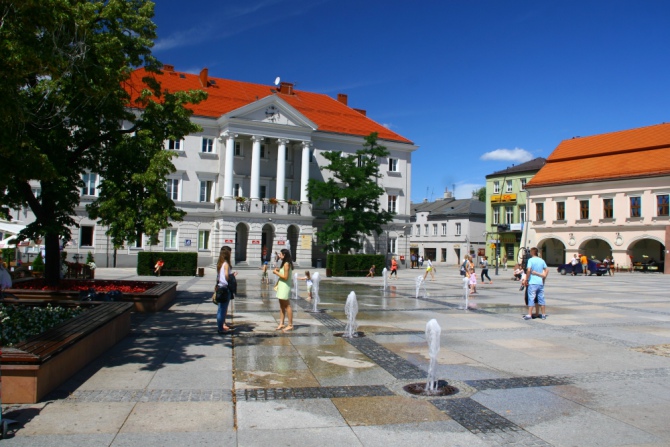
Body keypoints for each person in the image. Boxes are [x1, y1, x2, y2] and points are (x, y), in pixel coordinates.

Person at [523, 247, 548, 320]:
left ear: (532, 252)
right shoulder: (542, 260)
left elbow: (528, 270)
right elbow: (547, 269)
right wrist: (543, 277)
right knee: (541, 298)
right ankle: (543, 314)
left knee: (531, 298)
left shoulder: (530, 260)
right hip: (540, 282)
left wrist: (526, 279)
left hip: (532, 282)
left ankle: (529, 314)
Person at [273, 248, 294, 332]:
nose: (279, 255)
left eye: (280, 254)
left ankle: (290, 325)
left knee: (287, 305)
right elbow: (284, 272)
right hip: (281, 286)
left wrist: (276, 273)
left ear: (284, 255)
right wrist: (279, 270)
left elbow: (285, 277)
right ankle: (281, 323)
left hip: (285, 287)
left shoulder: (286, 264)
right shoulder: (285, 263)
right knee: (281, 305)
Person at [215, 247, 235, 333]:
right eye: (230, 252)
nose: (231, 254)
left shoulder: (220, 263)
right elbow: (226, 276)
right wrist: (232, 277)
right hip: (225, 289)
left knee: (221, 309)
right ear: (227, 253)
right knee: (222, 309)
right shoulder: (226, 264)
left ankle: (221, 326)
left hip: (220, 287)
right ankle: (220, 328)